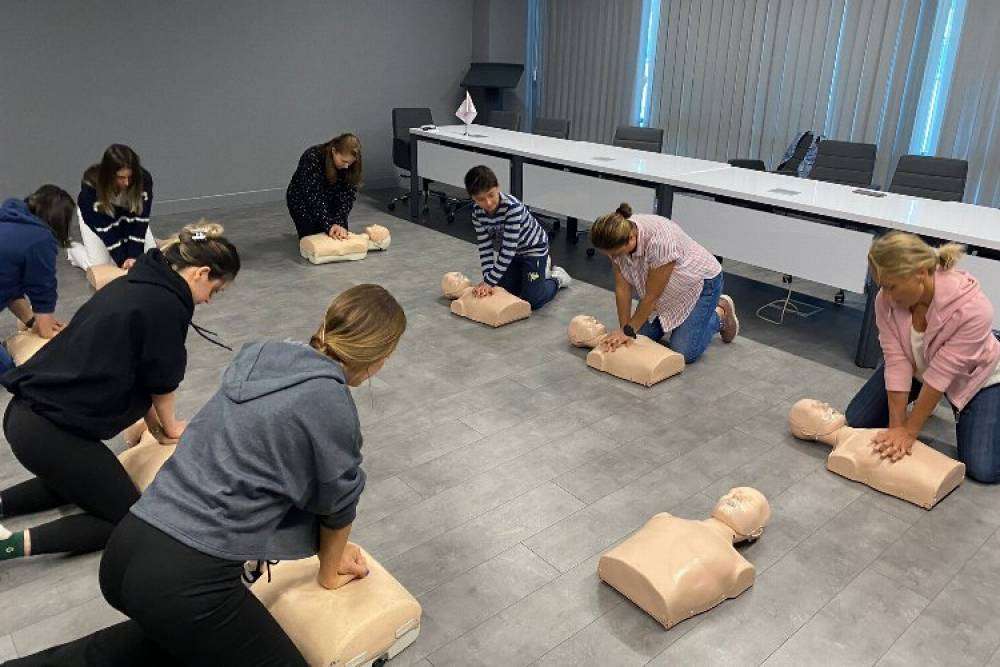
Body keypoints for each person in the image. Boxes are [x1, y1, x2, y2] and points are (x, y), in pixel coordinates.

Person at [11, 285, 406, 666]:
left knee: (158, 650)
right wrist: (331, 570)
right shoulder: (332, 403)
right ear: (380, 357)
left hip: (127, 548)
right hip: (183, 580)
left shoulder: (263, 356)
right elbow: (339, 503)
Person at [0, 223, 239, 561]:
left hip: (28, 417)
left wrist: (154, 426)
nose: (208, 300)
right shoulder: (165, 304)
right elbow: (162, 377)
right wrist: (171, 427)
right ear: (200, 273)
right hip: (48, 430)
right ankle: (6, 545)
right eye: (214, 291)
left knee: (85, 480)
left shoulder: (137, 283)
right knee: (128, 520)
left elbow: (137, 369)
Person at [845, 231, 1000, 483]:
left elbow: (941, 375)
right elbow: (896, 361)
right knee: (857, 421)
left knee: (982, 468)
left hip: (975, 378)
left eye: (892, 286)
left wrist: (910, 431)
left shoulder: (974, 310)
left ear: (920, 272)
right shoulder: (886, 300)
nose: (887, 296)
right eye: (882, 285)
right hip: (921, 366)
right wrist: (897, 427)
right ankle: (921, 407)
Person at [589, 203, 738, 364]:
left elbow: (652, 297)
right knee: (638, 338)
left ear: (631, 238)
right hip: (665, 289)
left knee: (684, 352)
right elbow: (622, 288)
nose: (614, 258)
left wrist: (628, 331)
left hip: (700, 283)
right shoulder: (616, 237)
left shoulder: (660, 242)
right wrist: (625, 329)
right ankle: (683, 323)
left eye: (616, 254)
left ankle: (720, 312)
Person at [464, 165, 571, 310]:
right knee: (503, 291)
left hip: (533, 250)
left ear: (498, 187)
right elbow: (485, 248)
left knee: (532, 300)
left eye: (491, 195)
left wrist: (489, 282)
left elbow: (508, 250)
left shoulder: (512, 208)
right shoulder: (477, 213)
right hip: (513, 254)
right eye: (480, 199)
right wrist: (488, 279)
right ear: (472, 198)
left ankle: (557, 278)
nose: (488, 203)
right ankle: (532, 277)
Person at [0, 185, 76, 374]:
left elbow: (9, 288)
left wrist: (32, 321)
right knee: (8, 370)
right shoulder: (40, 239)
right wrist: (48, 333)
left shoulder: (8, 217)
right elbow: (43, 292)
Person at [74, 144, 156, 270]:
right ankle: (73, 250)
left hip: (128, 215)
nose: (127, 182)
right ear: (109, 175)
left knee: (149, 258)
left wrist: (134, 256)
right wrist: (122, 259)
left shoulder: (143, 179)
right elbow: (105, 228)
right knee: (101, 265)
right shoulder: (91, 188)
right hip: (98, 218)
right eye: (121, 178)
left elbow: (141, 219)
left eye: (130, 176)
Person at [286, 133, 363, 240]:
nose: (346, 166)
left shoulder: (351, 164)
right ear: (334, 151)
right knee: (313, 239)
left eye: (350, 163)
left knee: (338, 236)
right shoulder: (312, 157)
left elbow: (348, 195)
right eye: (343, 161)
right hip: (303, 201)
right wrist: (328, 224)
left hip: (331, 198)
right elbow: (312, 195)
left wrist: (339, 222)